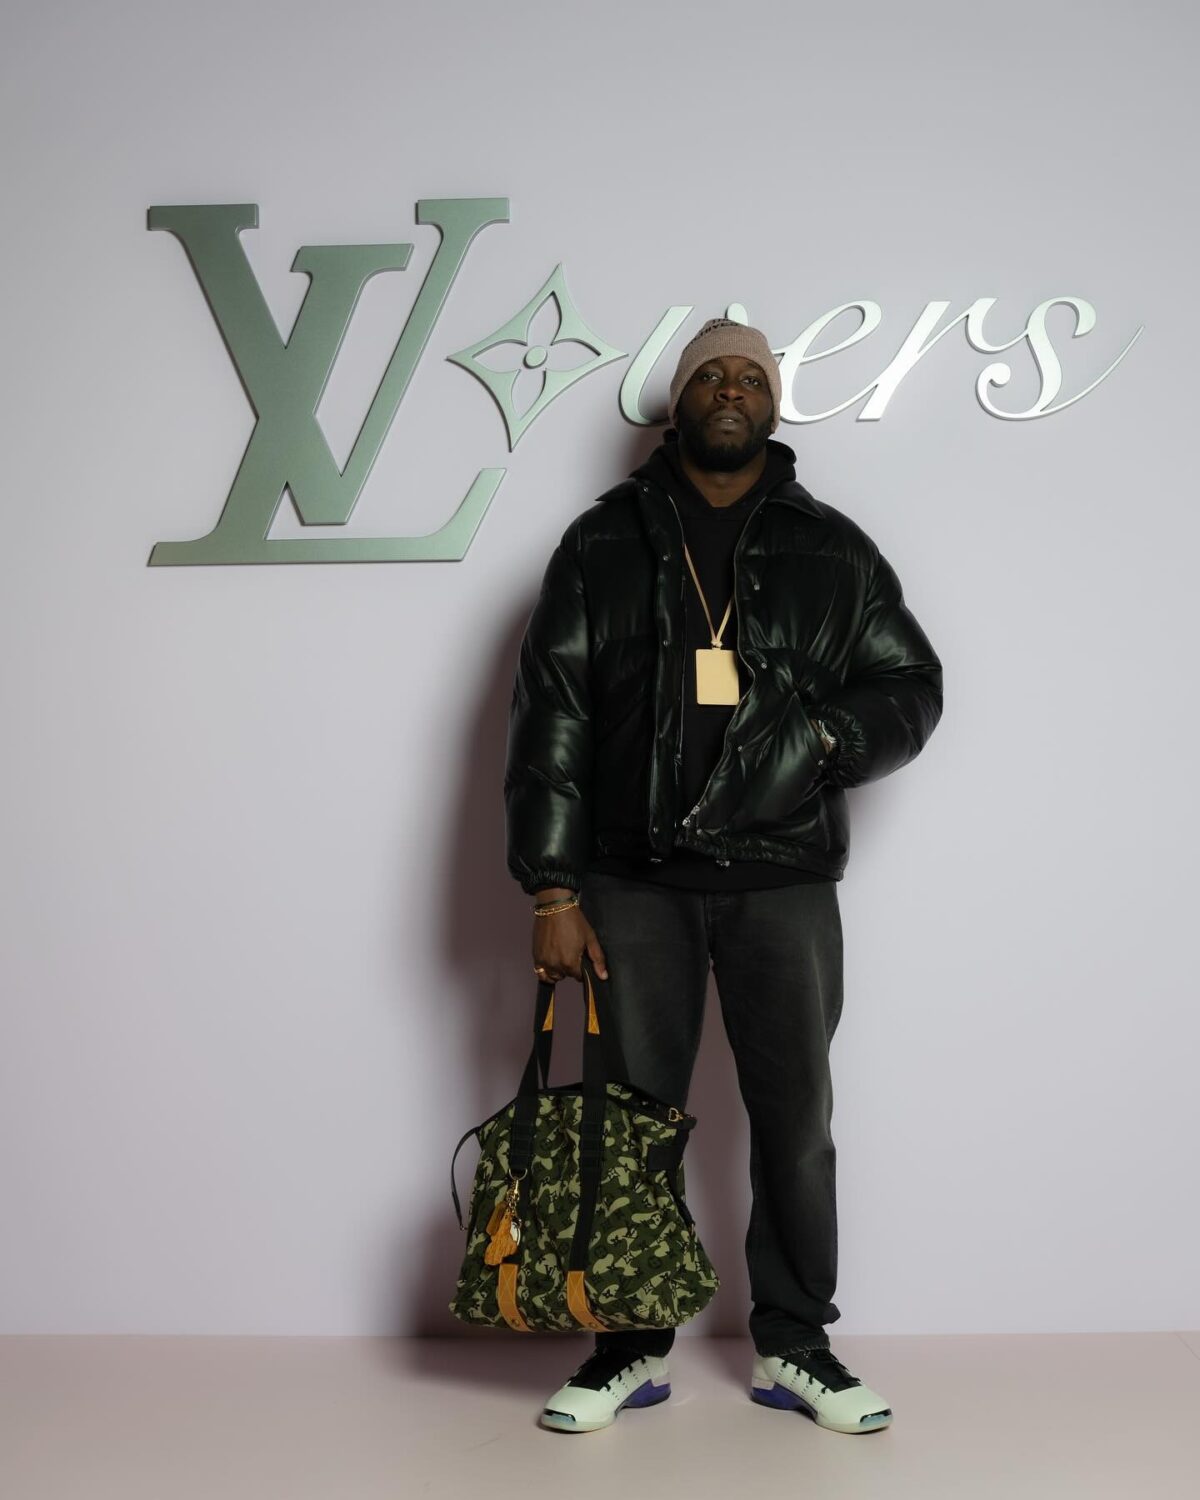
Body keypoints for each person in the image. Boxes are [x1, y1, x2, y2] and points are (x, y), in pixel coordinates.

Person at [503, 318, 943, 1434]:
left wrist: (826, 742)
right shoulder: (601, 542)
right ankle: (629, 1346)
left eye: (752, 375)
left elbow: (911, 684)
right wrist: (552, 887)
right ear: (679, 400)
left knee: (794, 1122)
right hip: (632, 883)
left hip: (782, 879)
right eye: (712, 374)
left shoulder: (832, 547)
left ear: (774, 403)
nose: (733, 389)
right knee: (627, 1122)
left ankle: (796, 1343)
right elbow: (551, 717)